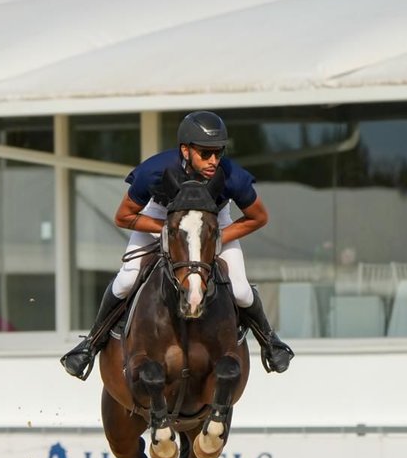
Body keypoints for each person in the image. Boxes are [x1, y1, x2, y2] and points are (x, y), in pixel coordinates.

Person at [60, 110, 294, 380]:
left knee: (241, 290)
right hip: (161, 217)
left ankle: (270, 341)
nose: (213, 161)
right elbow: (123, 216)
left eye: (218, 153)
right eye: (205, 154)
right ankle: (90, 344)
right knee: (126, 280)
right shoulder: (154, 171)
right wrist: (169, 234)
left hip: (213, 222)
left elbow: (258, 217)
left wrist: (215, 238)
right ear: (185, 150)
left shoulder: (232, 176)